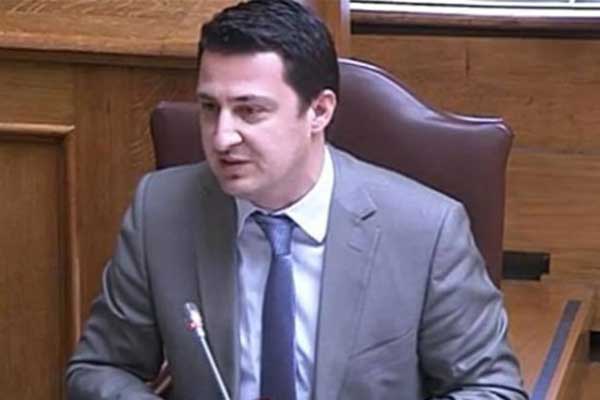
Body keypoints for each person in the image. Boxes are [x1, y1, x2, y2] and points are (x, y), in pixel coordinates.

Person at [66, 1, 527, 399]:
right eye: (209, 108)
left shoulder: (426, 231)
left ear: (319, 111)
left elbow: (492, 388)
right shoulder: (161, 210)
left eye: (250, 111)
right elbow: (100, 368)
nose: (222, 137)